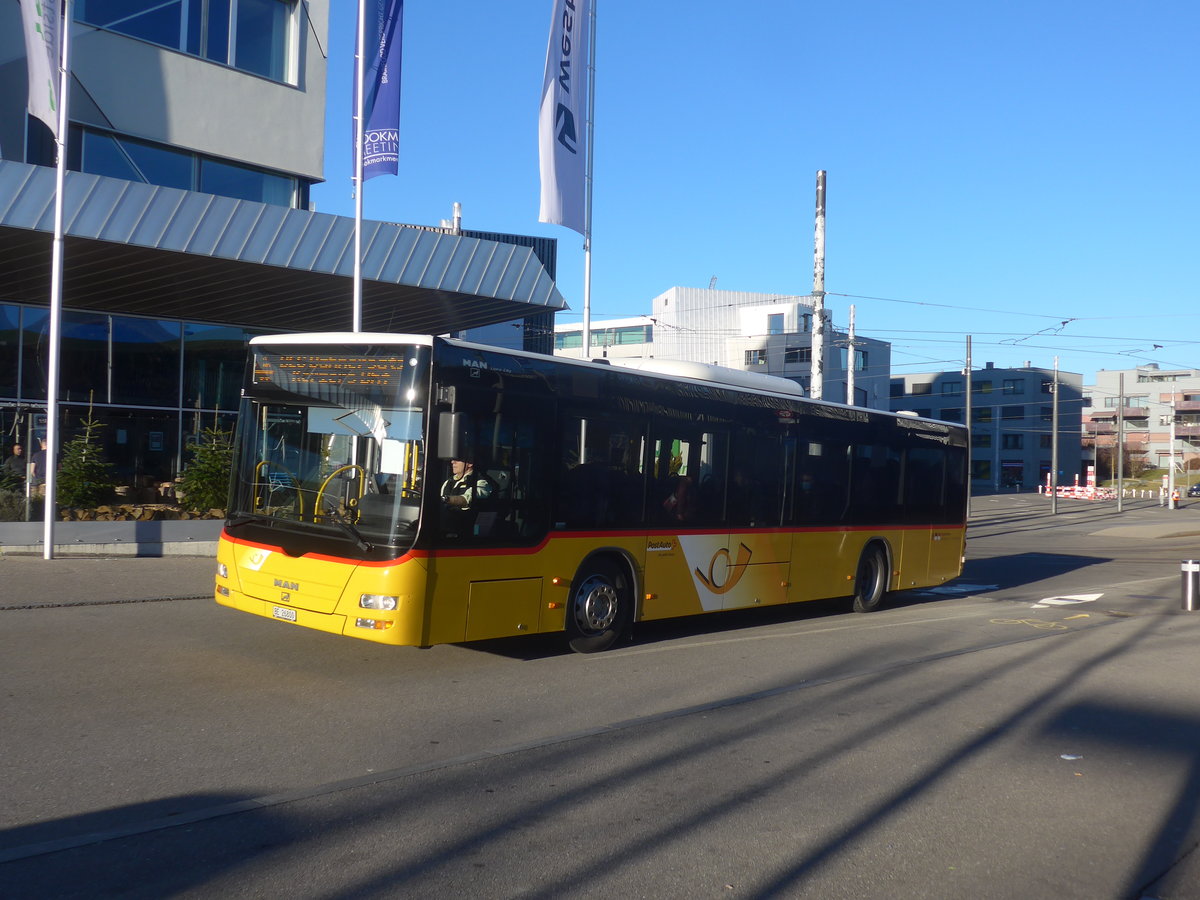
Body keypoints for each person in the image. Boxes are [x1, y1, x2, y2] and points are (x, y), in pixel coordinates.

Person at [439, 458, 495, 536]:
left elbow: (467, 499)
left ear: (470, 463)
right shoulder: (448, 482)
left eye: (458, 459)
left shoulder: (482, 482)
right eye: (453, 459)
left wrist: (445, 499)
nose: (452, 462)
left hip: (468, 534)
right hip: (445, 530)